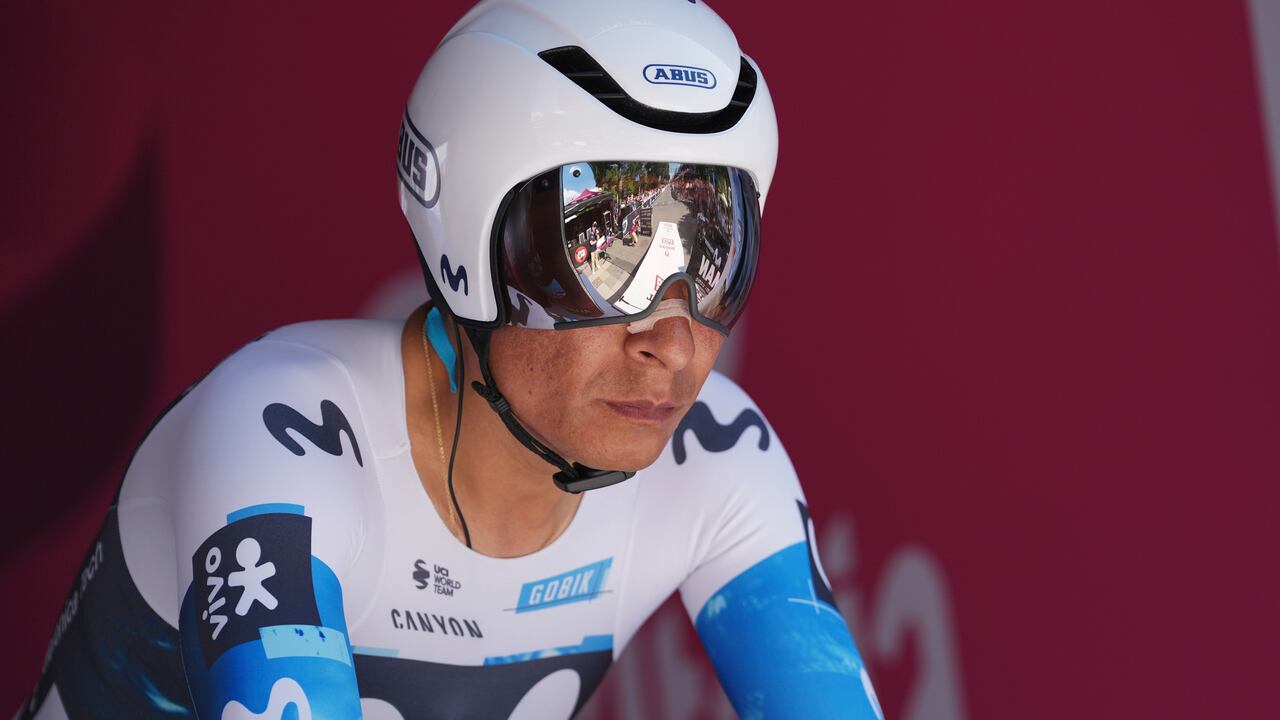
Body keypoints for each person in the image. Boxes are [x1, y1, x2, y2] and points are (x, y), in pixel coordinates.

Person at [16, 1, 883, 718]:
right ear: (475, 253)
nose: (675, 340)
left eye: (712, 256)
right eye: (608, 256)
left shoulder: (717, 454)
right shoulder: (277, 436)